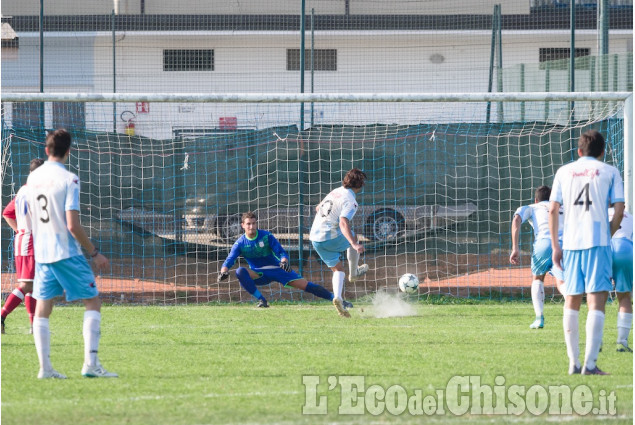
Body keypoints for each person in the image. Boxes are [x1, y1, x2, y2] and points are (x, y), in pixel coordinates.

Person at [27, 129, 117, 379]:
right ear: (69, 151)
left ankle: (45, 369)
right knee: (93, 301)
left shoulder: (32, 179)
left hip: (42, 253)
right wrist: (94, 252)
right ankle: (91, 364)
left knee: (44, 306)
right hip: (66, 252)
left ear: (46, 150)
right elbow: (72, 225)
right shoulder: (69, 179)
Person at [549, 129, 624, 376]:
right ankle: (590, 365)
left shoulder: (563, 171)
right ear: (602, 152)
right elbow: (620, 209)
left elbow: (552, 210)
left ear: (579, 151)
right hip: (598, 242)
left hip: (570, 243)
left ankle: (573, 362)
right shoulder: (611, 172)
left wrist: (556, 245)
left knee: (571, 299)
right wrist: (608, 234)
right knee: (596, 301)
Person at [218, 211, 345, 313]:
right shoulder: (240, 243)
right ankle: (262, 300)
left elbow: (281, 252)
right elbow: (230, 259)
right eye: (248, 224)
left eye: (253, 223)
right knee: (240, 271)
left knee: (307, 286)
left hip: (278, 269)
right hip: (259, 273)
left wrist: (284, 261)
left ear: (256, 224)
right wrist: (224, 271)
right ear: (242, 225)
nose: (251, 226)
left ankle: (337, 300)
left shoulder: (266, 236)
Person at [309, 168, 369, 318]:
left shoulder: (335, 191)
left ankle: (338, 298)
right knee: (353, 238)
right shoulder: (351, 200)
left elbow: (318, 208)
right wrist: (354, 244)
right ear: (360, 184)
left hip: (315, 238)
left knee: (338, 269)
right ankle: (354, 273)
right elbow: (343, 222)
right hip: (329, 236)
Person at [510, 185, 565, 329]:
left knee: (538, 278)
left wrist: (515, 248)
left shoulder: (532, 207)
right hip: (564, 244)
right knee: (562, 281)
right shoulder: (563, 208)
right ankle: (571, 302)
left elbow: (516, 219)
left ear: (536, 199)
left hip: (544, 242)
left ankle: (539, 318)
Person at [2, 158, 45, 334]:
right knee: (27, 285)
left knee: (32, 284)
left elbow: (7, 213)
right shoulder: (36, 192)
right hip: (31, 243)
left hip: (22, 241)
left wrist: (19, 230)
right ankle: (2, 315)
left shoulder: (23, 190)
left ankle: (34, 326)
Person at [609, 206, 633, 352]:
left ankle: (596, 343)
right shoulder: (631, 216)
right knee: (624, 297)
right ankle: (622, 343)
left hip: (602, 248)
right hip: (625, 248)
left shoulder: (598, 212)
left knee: (597, 296)